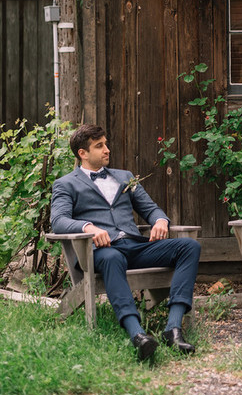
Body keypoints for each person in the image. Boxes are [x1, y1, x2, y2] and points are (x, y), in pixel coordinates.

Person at [51, 124, 201, 361]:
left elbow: (150, 208)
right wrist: (87, 227)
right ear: (82, 153)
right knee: (112, 257)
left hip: (134, 247)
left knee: (189, 246)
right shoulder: (66, 184)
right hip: (101, 252)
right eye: (99, 146)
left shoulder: (125, 177)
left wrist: (160, 220)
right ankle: (138, 335)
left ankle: (173, 329)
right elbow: (58, 221)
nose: (107, 150)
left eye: (106, 144)